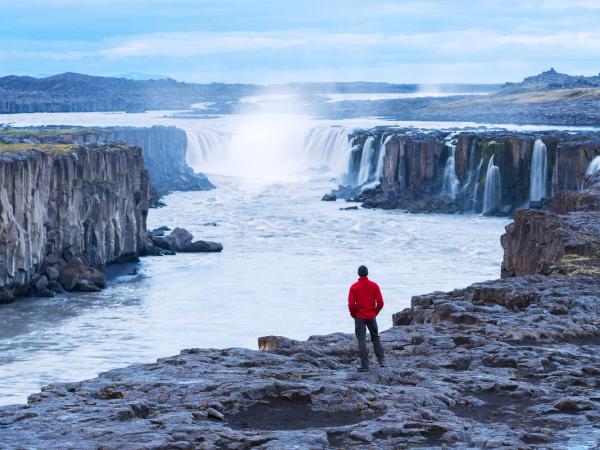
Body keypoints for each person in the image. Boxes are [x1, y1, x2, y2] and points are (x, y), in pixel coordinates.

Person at [348, 265, 385, 371]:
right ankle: (381, 361)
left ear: (358, 273)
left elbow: (351, 304)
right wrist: (375, 312)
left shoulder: (354, 287)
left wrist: (353, 314)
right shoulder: (374, 285)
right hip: (371, 316)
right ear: (367, 273)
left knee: (361, 340)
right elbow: (381, 303)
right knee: (376, 337)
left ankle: (365, 365)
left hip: (359, 316)